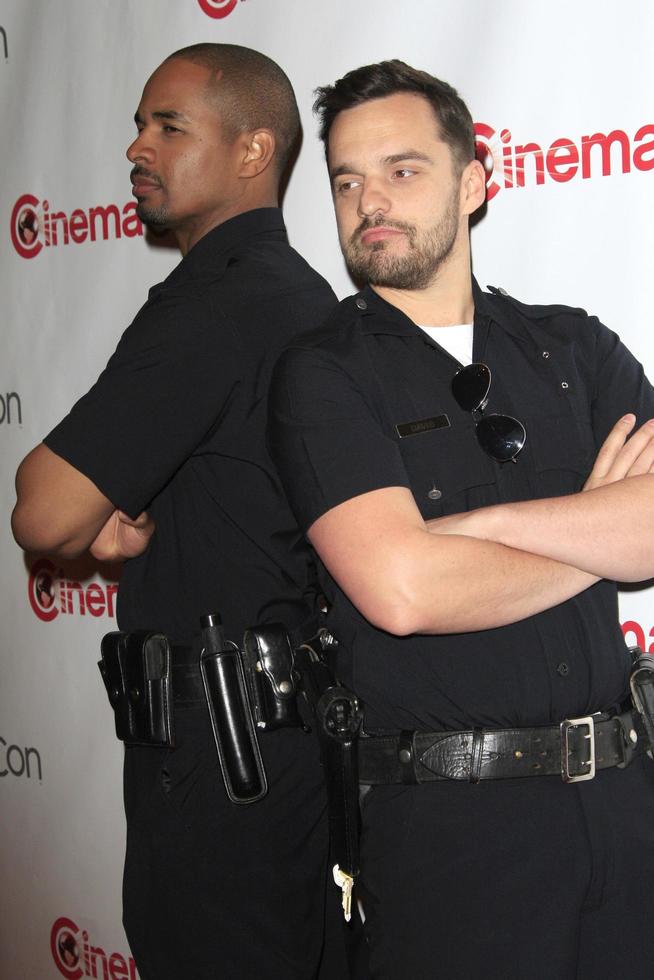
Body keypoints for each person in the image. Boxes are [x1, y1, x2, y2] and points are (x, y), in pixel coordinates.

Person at [268, 59, 654, 980]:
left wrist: (467, 534)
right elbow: (400, 590)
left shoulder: (575, 346)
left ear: (474, 183)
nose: (370, 202)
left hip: (625, 814)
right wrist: (594, 528)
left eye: (402, 170)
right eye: (347, 180)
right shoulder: (321, 375)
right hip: (452, 842)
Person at [11, 44, 346, 980]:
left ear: (253, 151)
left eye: (169, 126)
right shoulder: (299, 295)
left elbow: (43, 513)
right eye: (136, 125)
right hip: (276, 752)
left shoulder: (217, 306)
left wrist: (93, 510)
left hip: (221, 758)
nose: (136, 149)